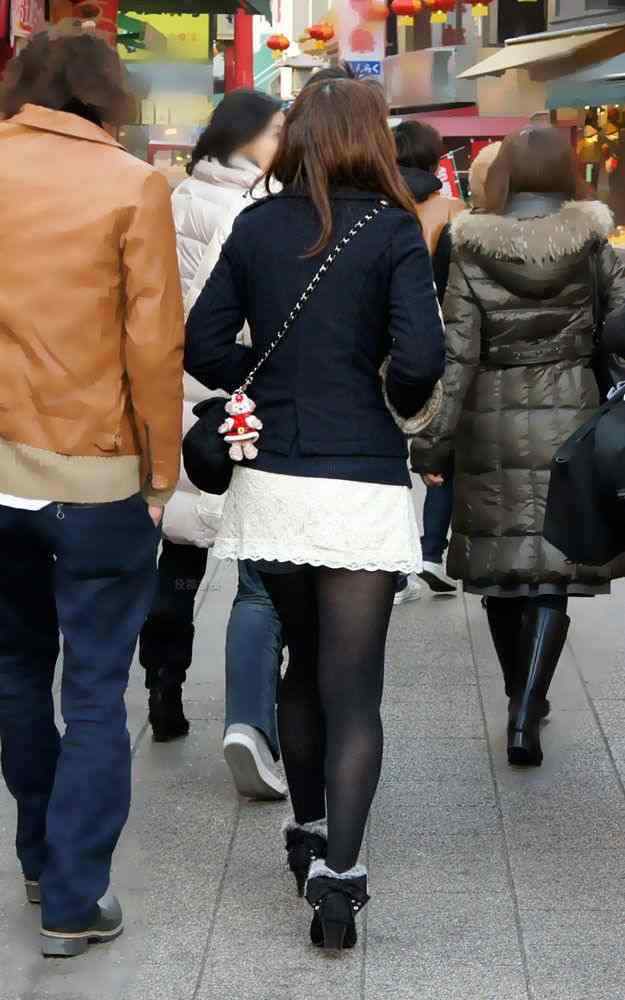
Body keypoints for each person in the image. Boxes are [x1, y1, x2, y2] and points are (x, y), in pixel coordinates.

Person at [185, 79, 445, 951]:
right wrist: (381, 393)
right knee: (354, 688)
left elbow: (204, 344)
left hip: (275, 477)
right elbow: (421, 356)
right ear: (371, 139)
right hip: (361, 478)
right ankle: (341, 877)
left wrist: (267, 377)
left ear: (297, 137)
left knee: (299, 668)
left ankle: (304, 831)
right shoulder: (394, 229)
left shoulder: (258, 225)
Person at [0, 28, 184, 955]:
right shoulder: (131, 184)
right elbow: (153, 343)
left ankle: (37, 857)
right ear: (107, 93)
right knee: (98, 685)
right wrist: (161, 471)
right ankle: (74, 894)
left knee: (15, 668)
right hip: (97, 472)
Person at [411, 126, 625, 768]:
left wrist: (433, 445)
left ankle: (516, 692)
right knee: (553, 568)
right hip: (572, 412)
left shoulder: (471, 246)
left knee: (502, 570)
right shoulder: (595, 244)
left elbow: (457, 355)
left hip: (490, 418)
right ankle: (527, 710)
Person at [139, 90, 288, 801]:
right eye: (276, 129)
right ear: (247, 136)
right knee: (257, 558)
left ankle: (163, 685)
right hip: (230, 393)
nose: (283, 139)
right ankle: (254, 712)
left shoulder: (178, 194)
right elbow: (228, 313)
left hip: (175, 388)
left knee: (181, 548)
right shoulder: (248, 207)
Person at [393, 121, 465, 604]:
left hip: (381, 342)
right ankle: (430, 551)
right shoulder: (455, 212)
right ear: (435, 159)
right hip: (439, 340)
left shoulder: (378, 204)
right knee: (442, 446)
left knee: (386, 453)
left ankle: (394, 567)